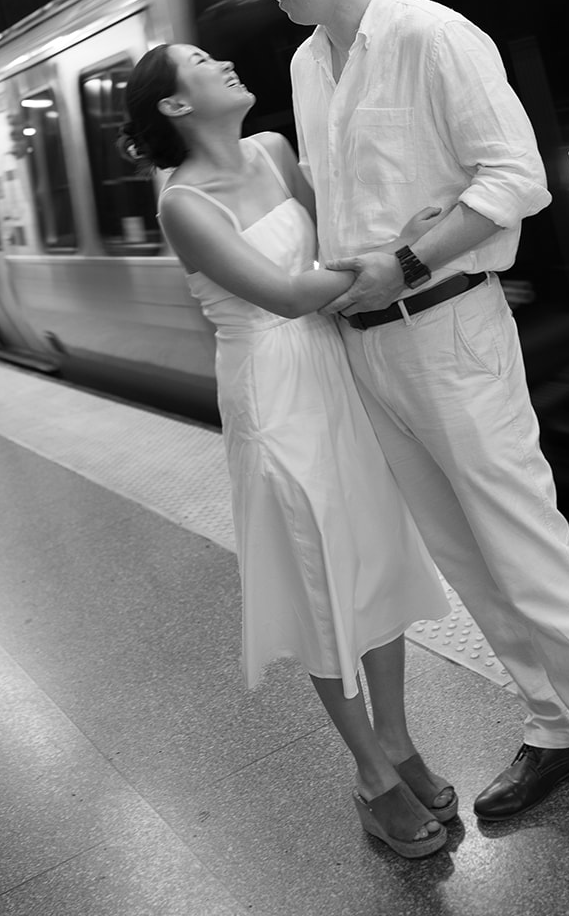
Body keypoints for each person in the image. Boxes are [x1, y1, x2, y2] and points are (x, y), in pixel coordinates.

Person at [240, 0, 569, 916]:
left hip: (447, 328)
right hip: (367, 349)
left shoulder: (436, 37)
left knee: (532, 559)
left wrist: (400, 262)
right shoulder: (311, 64)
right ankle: (553, 727)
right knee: (463, 558)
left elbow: (513, 177)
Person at [119, 43, 456, 859]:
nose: (225, 61)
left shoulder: (272, 150)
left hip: (332, 373)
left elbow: (333, 237)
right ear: (173, 105)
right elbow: (283, 291)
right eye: (203, 61)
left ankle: (400, 739)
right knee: (318, 577)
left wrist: (389, 240)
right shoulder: (183, 204)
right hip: (273, 391)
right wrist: (394, 260)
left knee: (371, 555)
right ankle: (373, 777)